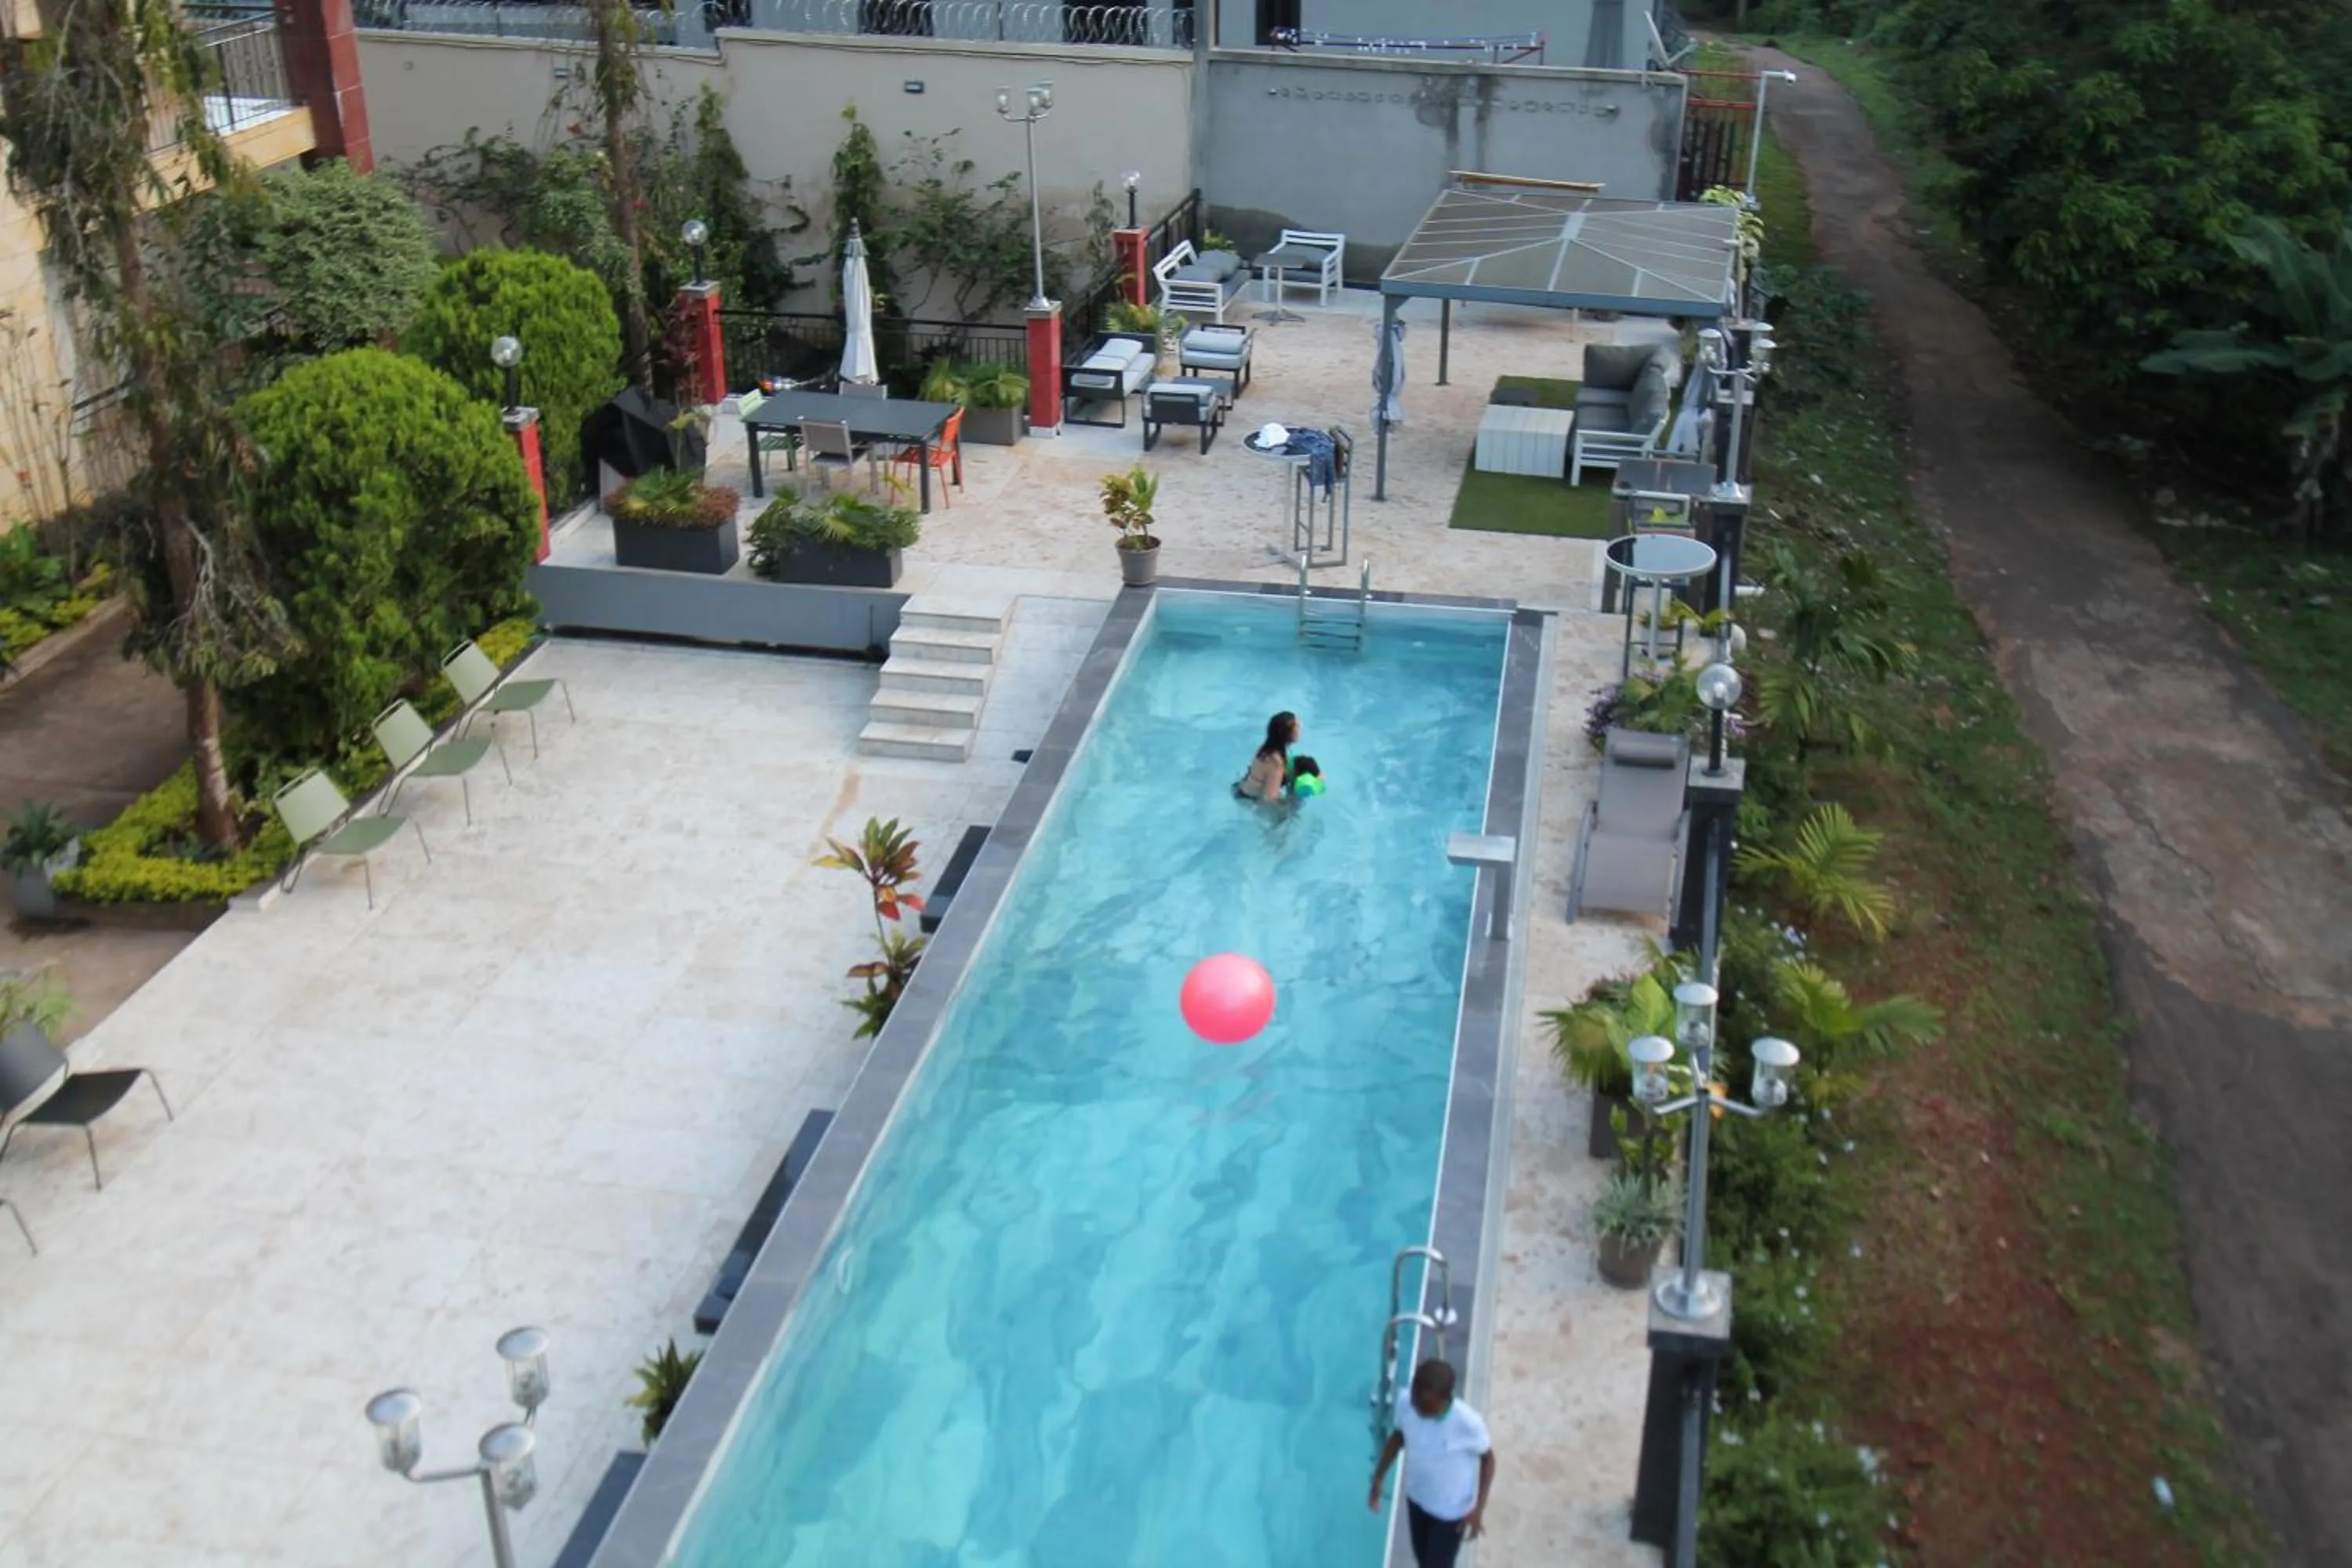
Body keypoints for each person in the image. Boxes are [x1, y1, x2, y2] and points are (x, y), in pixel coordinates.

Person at [1368, 1358, 1495, 1568]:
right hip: (1417, 1499)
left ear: (1445, 1399)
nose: (1418, 1409)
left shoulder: (1468, 1424)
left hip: (1451, 1512)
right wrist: (1379, 1476)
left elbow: (1488, 1461)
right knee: (1423, 1560)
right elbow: (1398, 1437)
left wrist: (1478, 1509)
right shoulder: (1406, 1403)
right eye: (1416, 1401)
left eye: (1426, 1405)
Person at [1235, 710, 1298, 804]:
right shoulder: (1276, 762)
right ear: (1287, 733)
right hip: (1250, 800)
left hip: (1242, 789)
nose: (1300, 729)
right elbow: (1269, 799)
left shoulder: (1267, 749)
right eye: (1297, 727)